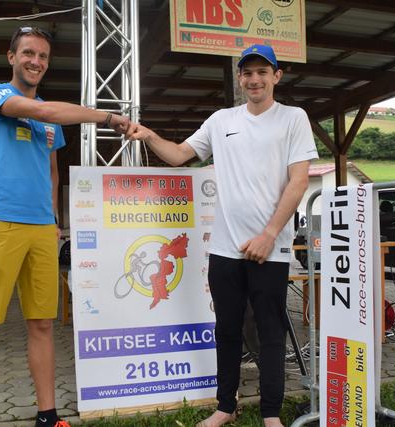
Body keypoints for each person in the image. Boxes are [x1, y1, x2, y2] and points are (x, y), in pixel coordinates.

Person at [126, 44, 318, 427]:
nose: (255, 79)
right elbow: (180, 154)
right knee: (227, 330)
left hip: (271, 248)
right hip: (225, 250)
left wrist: (269, 234)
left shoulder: (293, 118)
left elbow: (298, 181)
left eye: (263, 72)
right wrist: (149, 136)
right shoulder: (220, 119)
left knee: (270, 333)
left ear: (277, 76)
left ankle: (270, 414)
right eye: (247, 73)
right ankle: (225, 407)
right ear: (240, 78)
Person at [0, 26, 132, 427]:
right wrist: (107, 116)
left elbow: (52, 172)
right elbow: (43, 111)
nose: (36, 62)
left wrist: (53, 221)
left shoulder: (53, 122)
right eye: (29, 53)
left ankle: (48, 415)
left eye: (43, 57)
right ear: (11, 56)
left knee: (42, 323)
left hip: (40, 230)